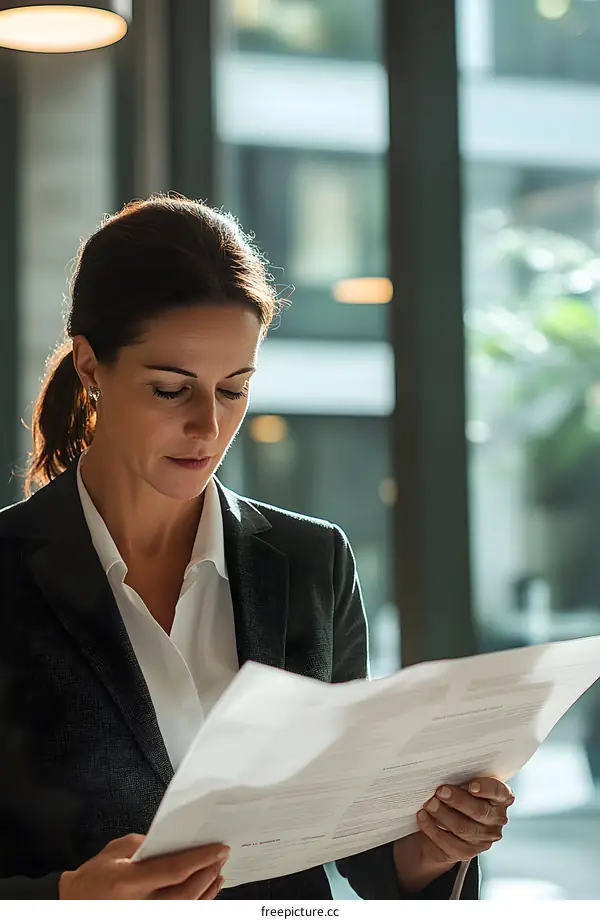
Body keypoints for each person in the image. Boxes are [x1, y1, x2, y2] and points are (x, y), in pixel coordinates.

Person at [0, 195, 513, 900]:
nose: (207, 426)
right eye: (170, 389)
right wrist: (64, 900)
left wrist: (433, 845)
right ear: (90, 365)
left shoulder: (312, 563)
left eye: (234, 390)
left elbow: (363, 851)